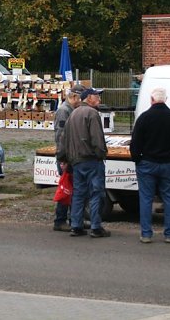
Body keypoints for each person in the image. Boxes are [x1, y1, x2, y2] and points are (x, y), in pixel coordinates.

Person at [130, 87, 170, 243]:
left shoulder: (144, 117)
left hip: (147, 163)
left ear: (151, 99)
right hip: (168, 163)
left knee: (146, 199)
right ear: (166, 99)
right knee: (169, 198)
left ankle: (146, 234)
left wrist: (137, 159)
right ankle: (169, 234)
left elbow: (135, 143)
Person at [57, 86, 111, 238]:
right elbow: (97, 139)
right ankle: (95, 227)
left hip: (76, 161)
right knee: (96, 193)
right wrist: (102, 154)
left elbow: (63, 139)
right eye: (97, 96)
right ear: (89, 98)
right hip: (91, 160)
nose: (99, 99)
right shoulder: (92, 113)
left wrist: (63, 158)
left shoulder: (73, 114)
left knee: (79, 194)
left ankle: (76, 225)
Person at [52, 84, 85, 231]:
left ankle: (74, 220)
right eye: (81, 98)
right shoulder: (64, 111)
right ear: (74, 97)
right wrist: (63, 158)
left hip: (71, 155)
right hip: (66, 157)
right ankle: (60, 220)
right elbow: (60, 136)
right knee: (66, 188)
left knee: (74, 188)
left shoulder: (72, 110)